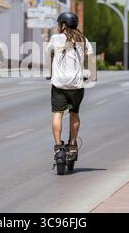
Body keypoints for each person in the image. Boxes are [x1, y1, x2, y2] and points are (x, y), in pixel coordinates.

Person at [46, 12, 97, 166]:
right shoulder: (83, 39)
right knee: (74, 113)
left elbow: (48, 54)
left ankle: (58, 148)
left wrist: (49, 74)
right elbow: (92, 56)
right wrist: (92, 75)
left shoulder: (55, 39)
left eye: (59, 24)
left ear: (63, 25)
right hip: (76, 84)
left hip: (59, 84)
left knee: (57, 114)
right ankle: (73, 144)